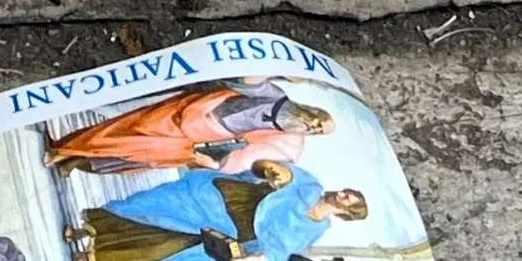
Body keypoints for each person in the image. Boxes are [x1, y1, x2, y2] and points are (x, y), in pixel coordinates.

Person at [68, 161, 373, 261]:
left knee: (159, 246)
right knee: (149, 206)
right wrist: (271, 169)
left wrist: (254, 259)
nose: (341, 195)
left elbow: (280, 250)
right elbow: (272, 168)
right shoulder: (309, 184)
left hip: (231, 234)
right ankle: (85, 230)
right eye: (346, 192)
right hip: (222, 200)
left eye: (348, 201)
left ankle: (87, 258)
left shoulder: (316, 229)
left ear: (345, 214)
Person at [42, 82, 339, 180]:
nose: (313, 127)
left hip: (198, 138)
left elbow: (254, 155)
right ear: (313, 112)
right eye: (317, 121)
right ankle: (62, 150)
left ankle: (72, 161)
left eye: (318, 132)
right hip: (192, 112)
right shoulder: (277, 96)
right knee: (125, 130)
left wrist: (217, 163)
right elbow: (248, 81)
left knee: (136, 158)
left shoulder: (288, 137)